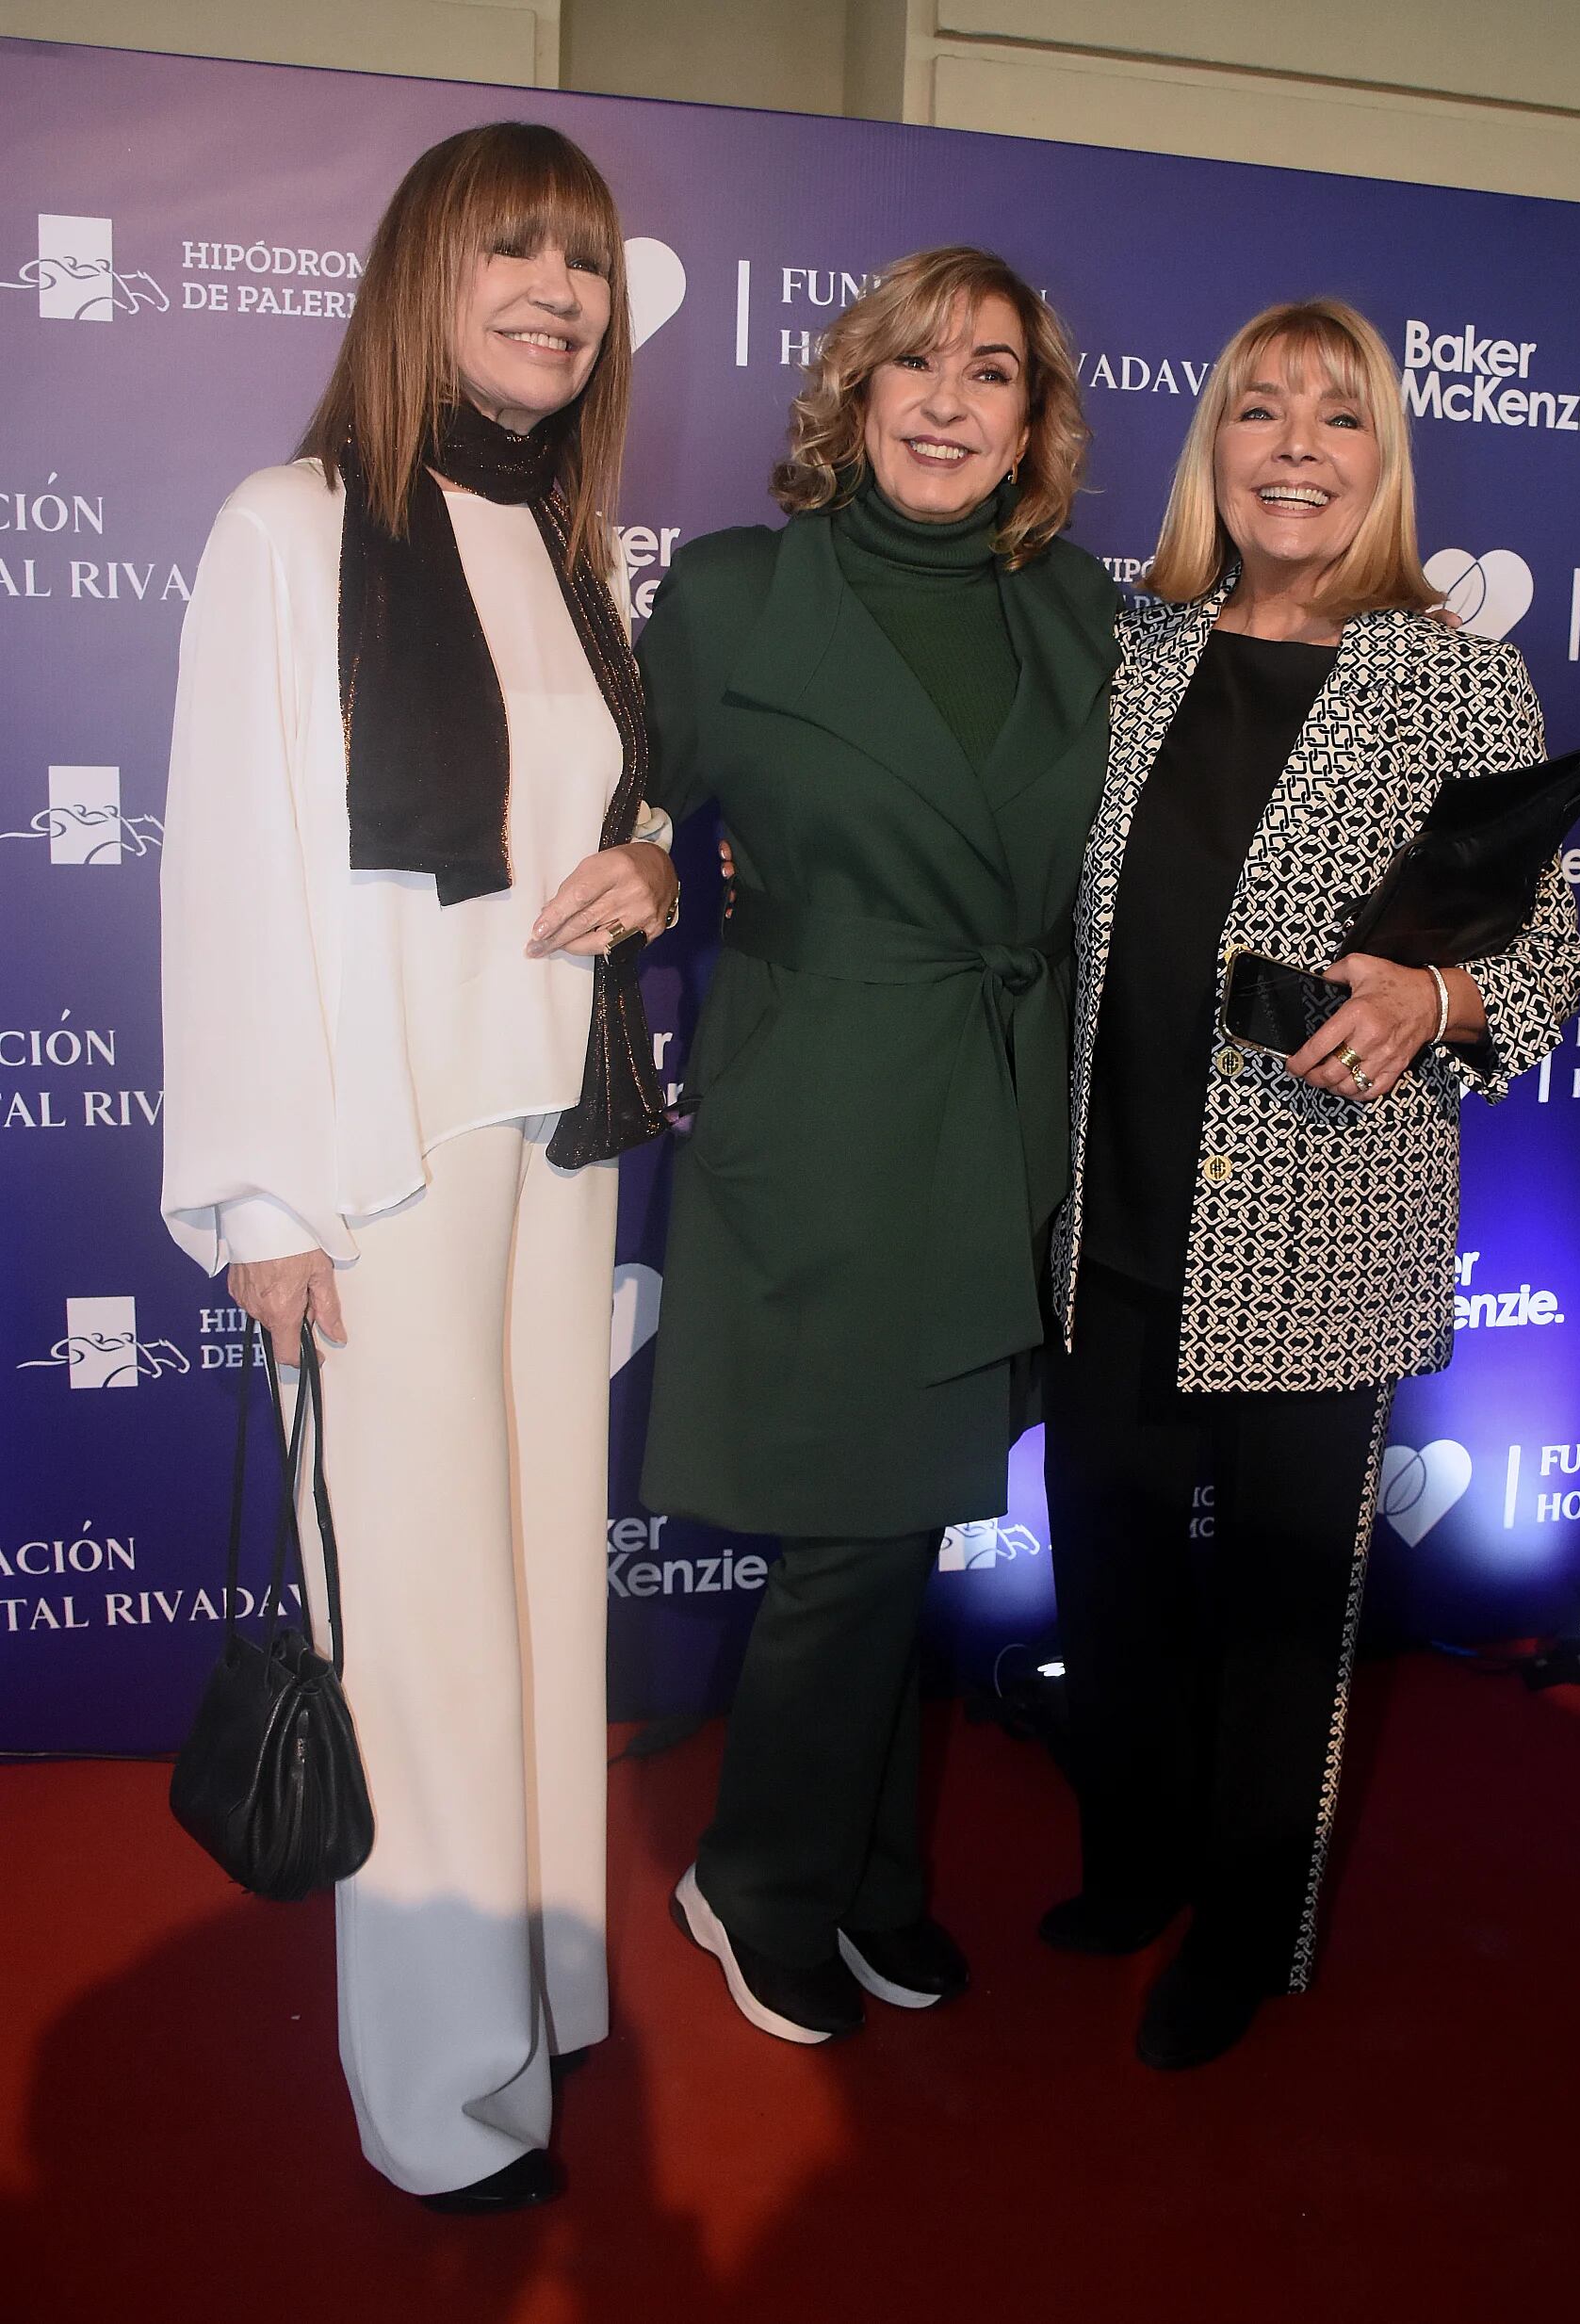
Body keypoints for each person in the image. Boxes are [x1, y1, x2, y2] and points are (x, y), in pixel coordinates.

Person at [159, 122, 678, 2211]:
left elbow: (605, 820)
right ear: (424, 272)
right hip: (377, 1157)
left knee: (545, 1593)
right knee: (427, 1630)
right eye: (514, 250)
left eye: (585, 259)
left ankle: (543, 1993)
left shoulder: (576, 547)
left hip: (561, 1139)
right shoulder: (291, 527)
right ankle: (442, 2097)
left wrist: (650, 865)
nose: (556, 289)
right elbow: (228, 876)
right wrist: (263, 1204)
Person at [1041, 299, 1580, 2071]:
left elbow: (1554, 944)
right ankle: (1132, 1862)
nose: (1294, 445)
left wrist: (1436, 995)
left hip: (1314, 1227)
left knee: (1287, 1617)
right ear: (1213, 446)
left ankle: (1250, 1933)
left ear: (1382, 461)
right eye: (1260, 411)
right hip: (1105, 1214)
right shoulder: (1136, 648)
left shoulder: (1451, 672)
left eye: (1335, 419)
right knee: (1110, 1576)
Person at [637, 246, 1117, 2044]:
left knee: (908, 1519)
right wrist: (663, 859)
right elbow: (617, 791)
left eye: (989, 373)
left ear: (1031, 427)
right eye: (913, 364)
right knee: (852, 1528)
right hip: (821, 1109)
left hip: (998, 1114)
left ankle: (860, 1880)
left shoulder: (1084, 615)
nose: (945, 399)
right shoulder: (741, 592)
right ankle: (758, 1880)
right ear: (850, 393)